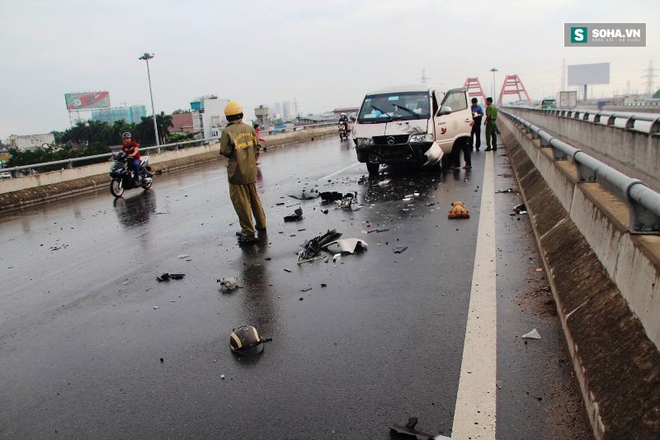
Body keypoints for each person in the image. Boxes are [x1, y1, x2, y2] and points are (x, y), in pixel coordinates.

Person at [220, 101, 267, 245]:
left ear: (228, 117)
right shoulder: (250, 129)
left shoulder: (227, 132)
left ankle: (248, 231)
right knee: (254, 199)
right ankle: (261, 224)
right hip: (251, 171)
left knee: (242, 203)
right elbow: (257, 146)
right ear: (241, 114)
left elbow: (225, 151)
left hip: (237, 173)